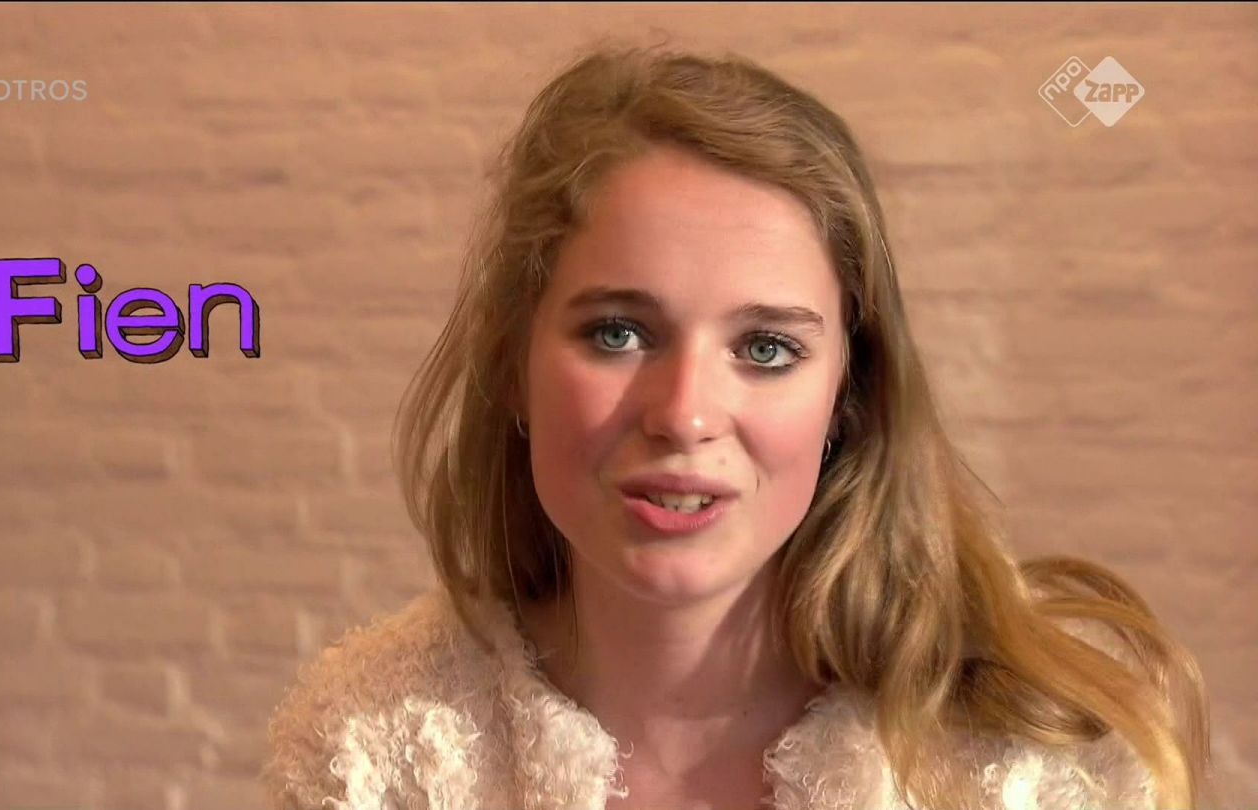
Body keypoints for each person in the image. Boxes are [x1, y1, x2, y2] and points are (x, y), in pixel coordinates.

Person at [263, 42, 1212, 810]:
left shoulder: (1039, 765)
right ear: (514, 365)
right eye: (619, 332)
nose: (684, 415)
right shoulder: (368, 750)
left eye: (765, 349)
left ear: (849, 393)